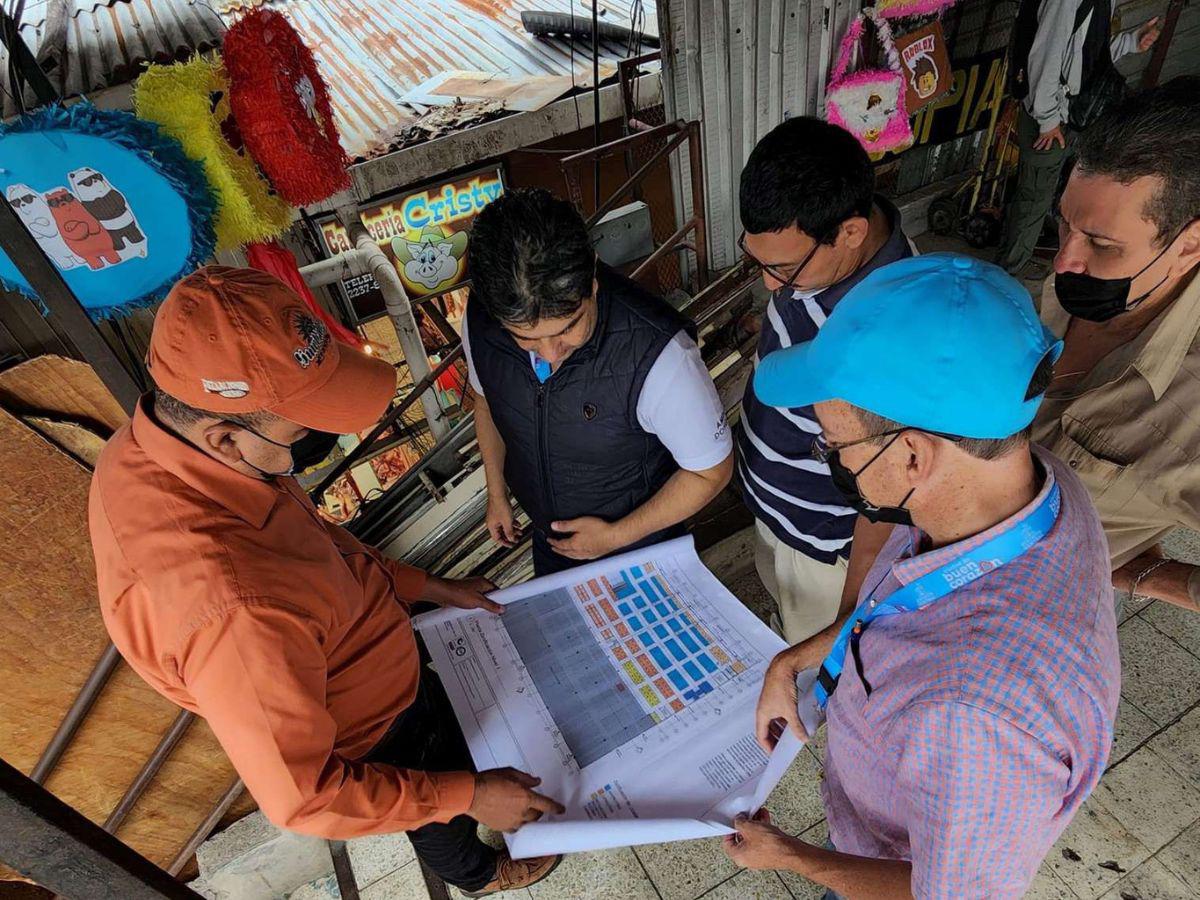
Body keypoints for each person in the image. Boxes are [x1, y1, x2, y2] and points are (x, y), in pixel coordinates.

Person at [88, 267, 564, 898]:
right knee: (435, 804)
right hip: (375, 729)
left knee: (455, 759)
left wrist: (432, 587)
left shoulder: (168, 448)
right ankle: (480, 875)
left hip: (378, 655)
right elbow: (306, 798)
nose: (324, 441)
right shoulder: (230, 611)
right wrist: (470, 795)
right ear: (226, 439)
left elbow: (318, 550)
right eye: (302, 430)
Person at [726, 254, 1119, 898]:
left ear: (912, 455)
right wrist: (794, 660)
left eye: (833, 446)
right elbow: (903, 599)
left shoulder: (970, 714)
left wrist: (792, 858)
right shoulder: (1023, 479)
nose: (831, 459)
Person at [462, 188, 733, 576]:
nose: (551, 354)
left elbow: (712, 471)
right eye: (525, 339)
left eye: (568, 328)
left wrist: (614, 537)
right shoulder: (482, 320)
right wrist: (496, 492)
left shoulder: (659, 355)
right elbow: (487, 400)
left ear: (592, 279)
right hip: (552, 544)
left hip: (642, 548)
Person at [735, 116, 913, 643]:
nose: (771, 285)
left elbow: (885, 500)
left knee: (808, 660)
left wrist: (850, 613)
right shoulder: (820, 254)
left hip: (819, 544)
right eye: (758, 260)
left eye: (784, 269)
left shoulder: (884, 339)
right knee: (781, 603)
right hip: (777, 511)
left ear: (851, 232)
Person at [1034, 77, 1200, 612]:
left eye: (1101, 245)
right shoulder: (1081, 282)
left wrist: (1151, 577)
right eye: (1064, 225)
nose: (1064, 262)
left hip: (1026, 618)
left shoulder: (1191, 405)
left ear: (1189, 244)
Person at [998, 0, 1160, 279]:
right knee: (1034, 199)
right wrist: (1047, 120)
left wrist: (1131, 42)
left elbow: (1087, 53)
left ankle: (1015, 262)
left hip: (1073, 114)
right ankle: (1005, 277)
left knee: (1050, 194)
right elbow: (1046, 55)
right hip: (1051, 118)